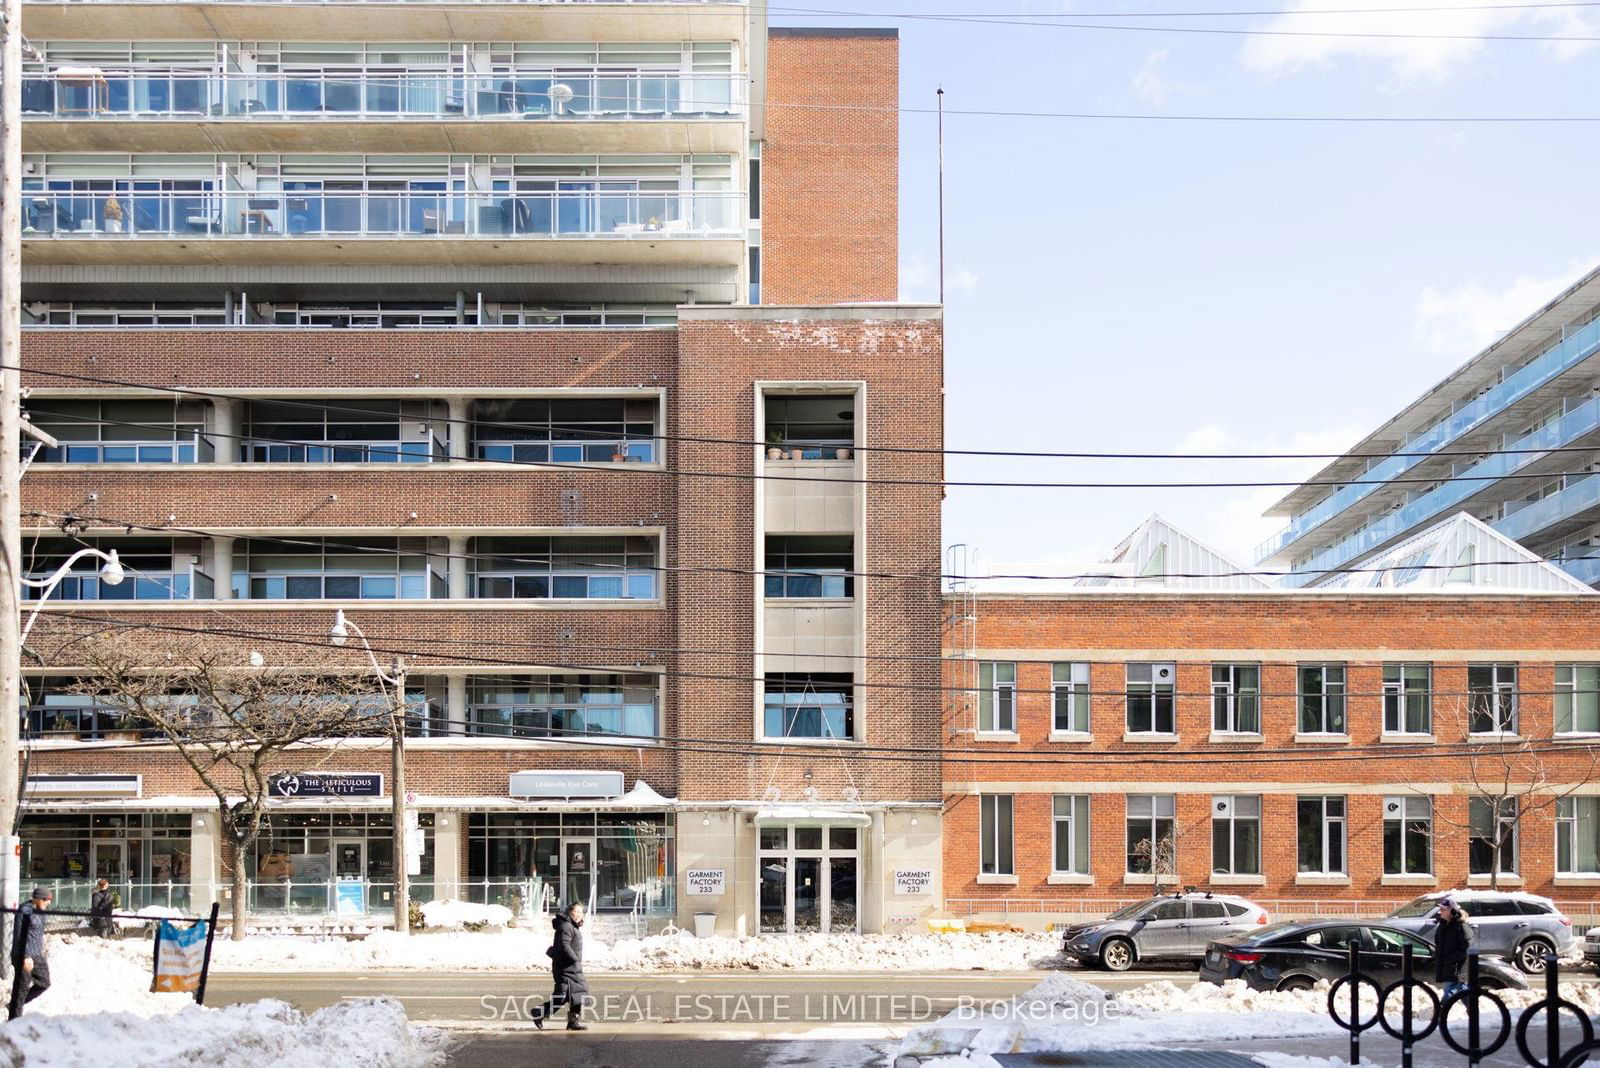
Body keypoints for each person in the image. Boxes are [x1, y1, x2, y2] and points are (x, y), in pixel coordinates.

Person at [532, 902, 589, 1031]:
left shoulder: (571, 926)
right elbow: (564, 946)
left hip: (571, 967)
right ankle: (538, 1013)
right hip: (565, 968)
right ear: (571, 912)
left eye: (582, 912)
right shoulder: (566, 927)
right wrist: (574, 959)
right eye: (578, 912)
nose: (581, 915)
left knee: (577, 994)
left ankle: (573, 1022)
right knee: (562, 996)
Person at [8, 886, 53, 1020]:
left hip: (37, 955)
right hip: (24, 955)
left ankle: (14, 1005)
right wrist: (25, 957)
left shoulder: (41, 911)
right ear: (38, 899)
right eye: (46, 900)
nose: (48, 902)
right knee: (21, 990)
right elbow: (19, 935)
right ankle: (14, 1022)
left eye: (50, 900)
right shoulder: (25, 910)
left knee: (44, 983)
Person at [1434, 897, 1474, 1001]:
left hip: (1457, 969)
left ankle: (1440, 1015)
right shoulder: (1443, 926)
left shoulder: (1462, 926)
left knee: (1449, 994)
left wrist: (1449, 958)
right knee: (1463, 994)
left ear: (1452, 911)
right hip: (1448, 968)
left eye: (1443, 909)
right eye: (1440, 909)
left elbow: (1468, 948)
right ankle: (1474, 1014)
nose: (1440, 912)